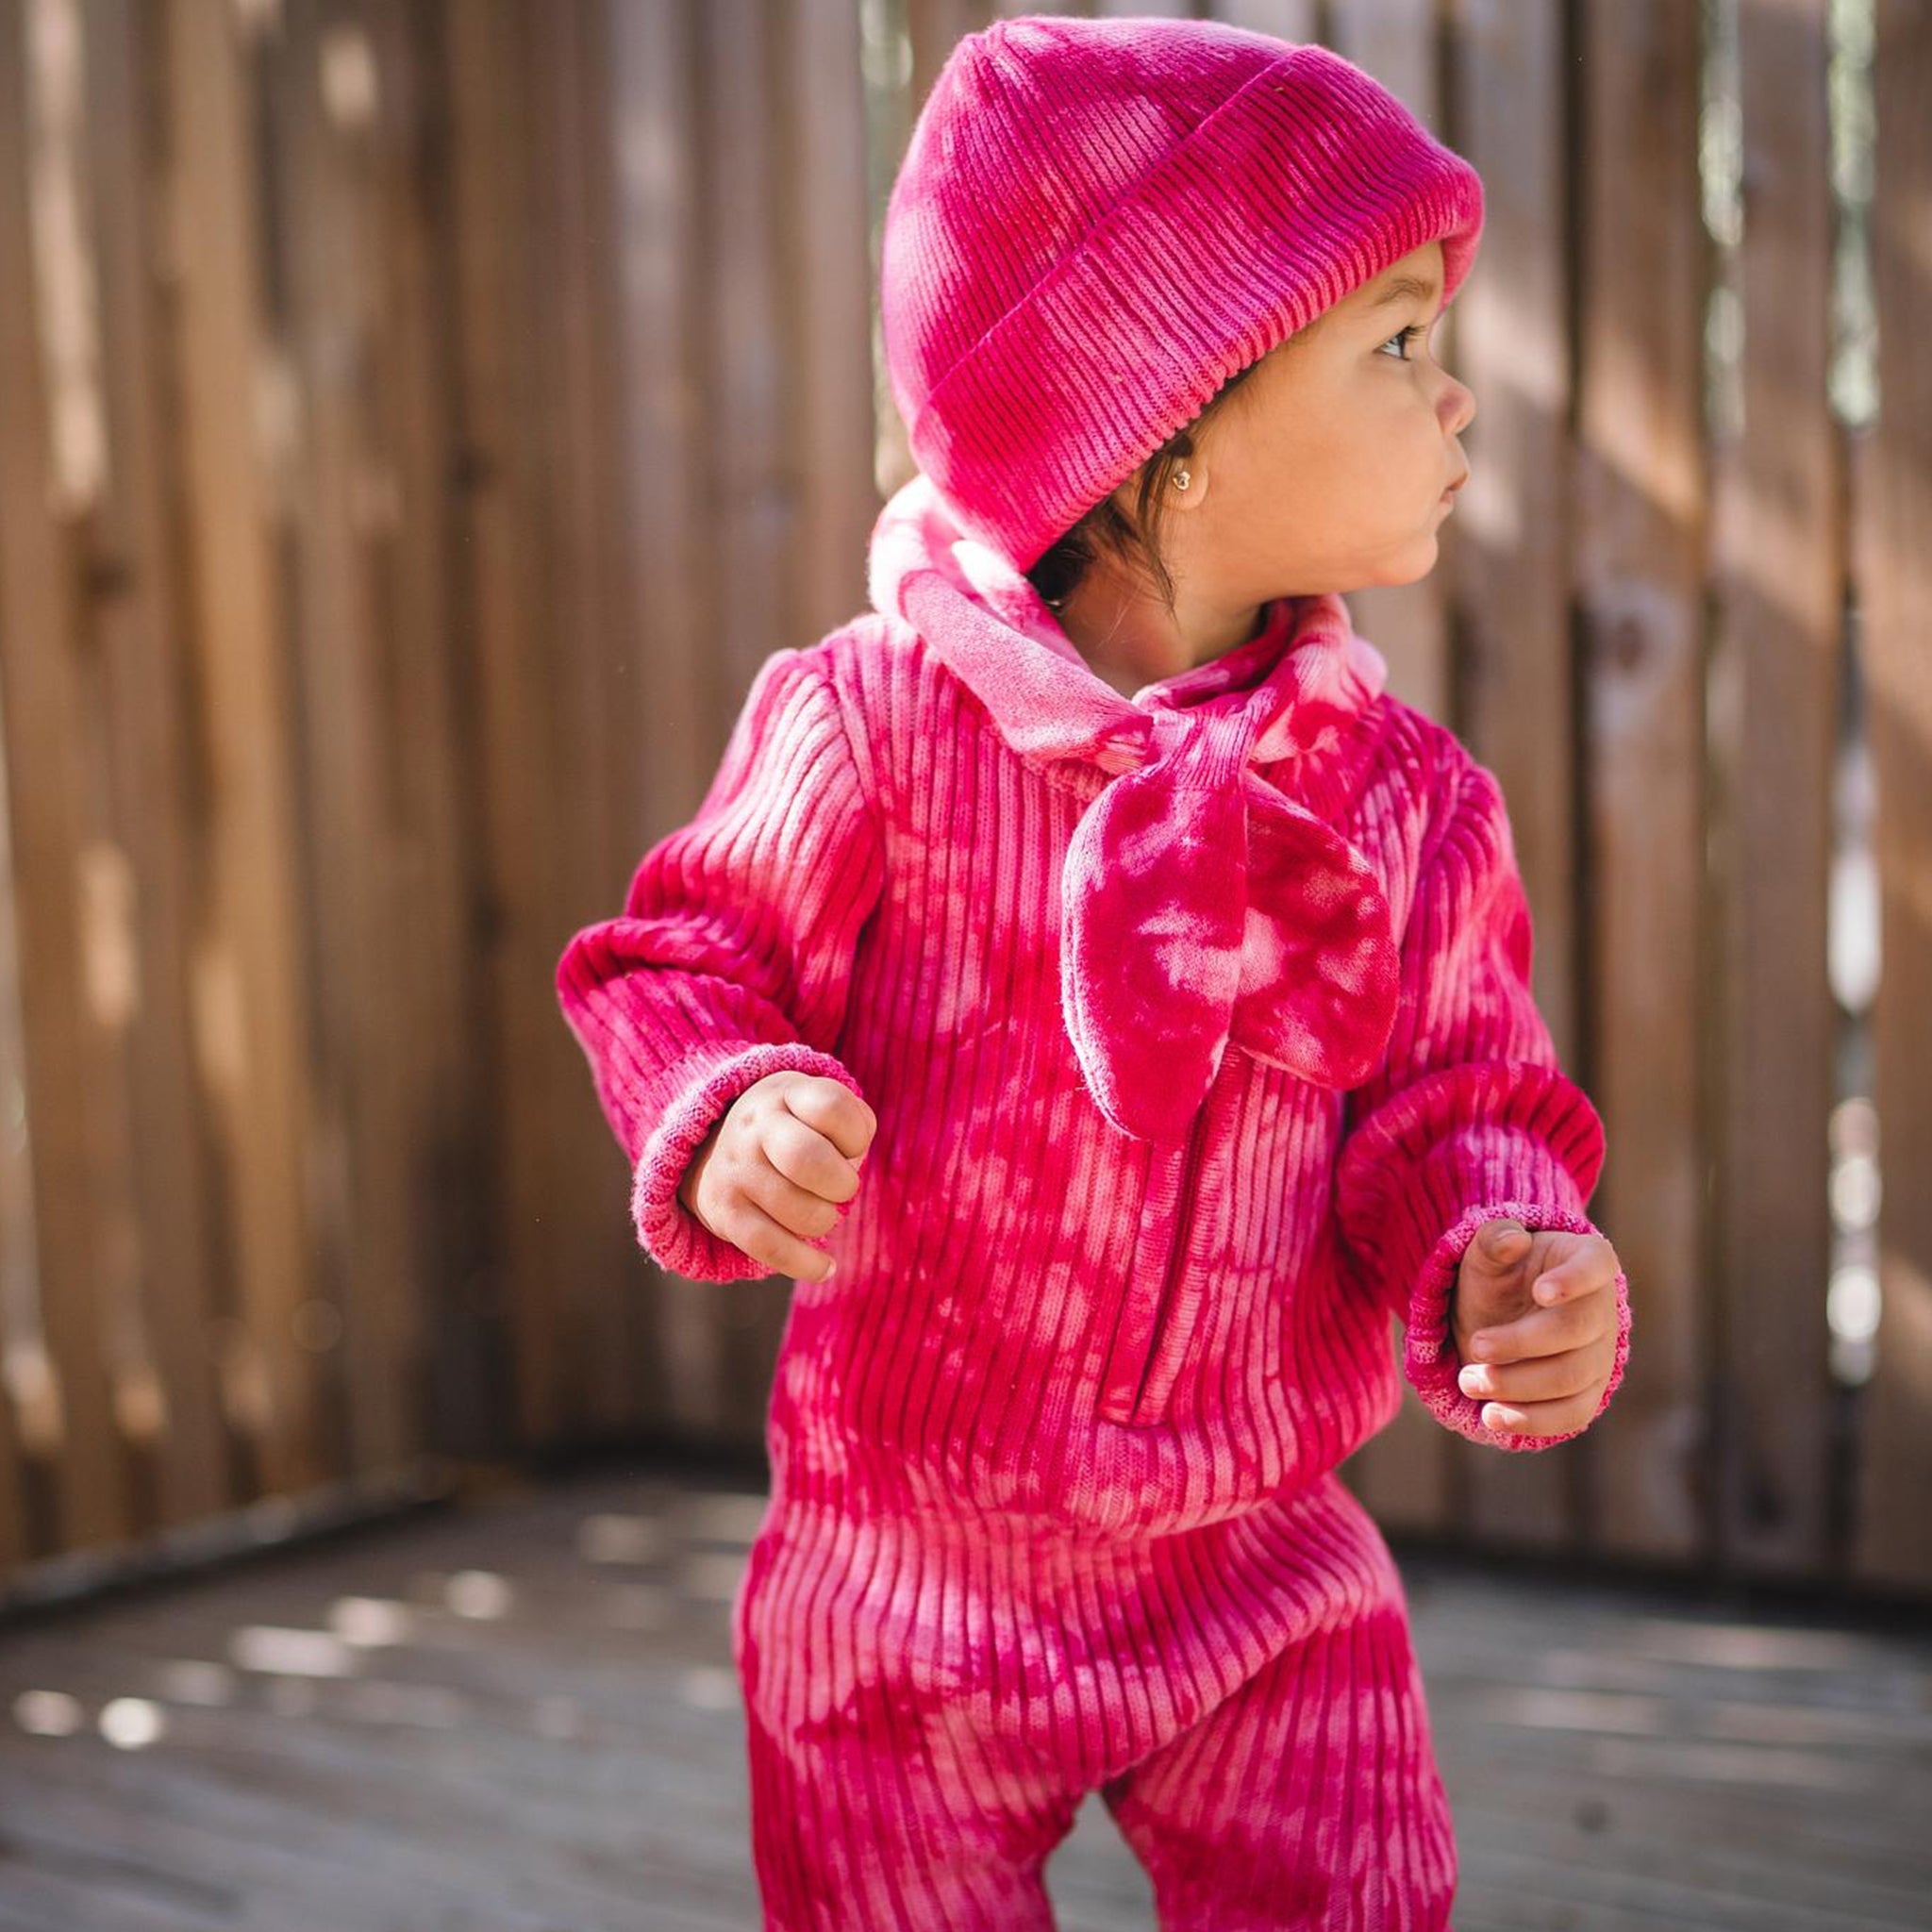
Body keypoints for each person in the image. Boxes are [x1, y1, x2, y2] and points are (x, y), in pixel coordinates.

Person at [556, 16, 1633, 1929]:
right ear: (1174, 426)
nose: (1457, 398)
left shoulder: (1398, 801)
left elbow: (1456, 1102)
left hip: (1260, 1567)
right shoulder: (875, 725)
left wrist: (1500, 1246)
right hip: (904, 1576)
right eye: (1394, 344)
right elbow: (677, 959)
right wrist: (724, 1105)